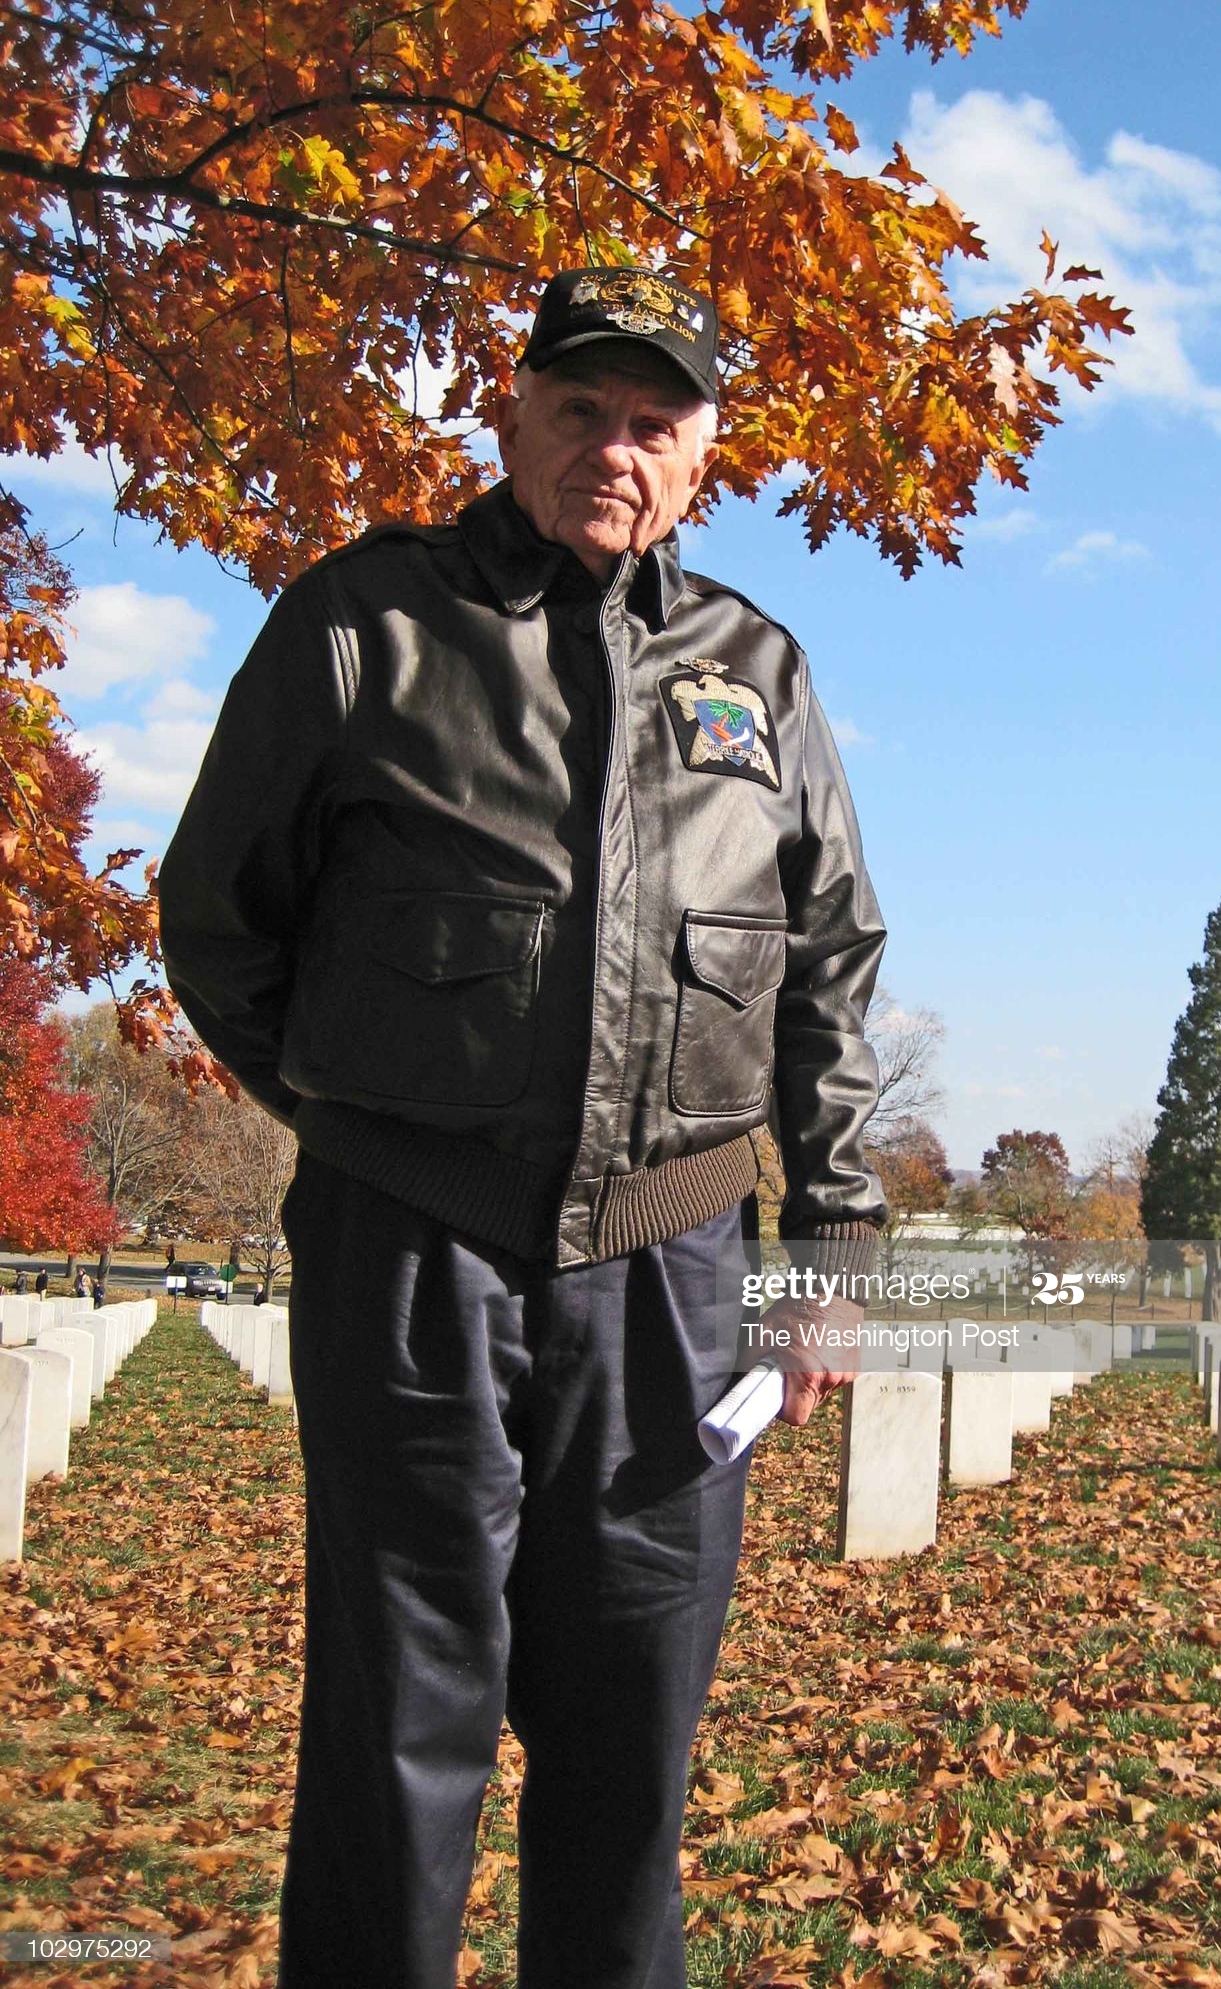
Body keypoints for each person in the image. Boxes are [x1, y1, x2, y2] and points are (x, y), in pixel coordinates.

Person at [158, 265, 886, 1989]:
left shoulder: (755, 669)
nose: (614, 451)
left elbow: (832, 958)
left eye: (656, 424)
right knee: (399, 1730)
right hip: (411, 1256)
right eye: (582, 411)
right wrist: (366, 1115)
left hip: (677, 1272)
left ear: (703, 453)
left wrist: (831, 1251)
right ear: (514, 413)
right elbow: (217, 918)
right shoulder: (367, 623)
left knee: (635, 1734)